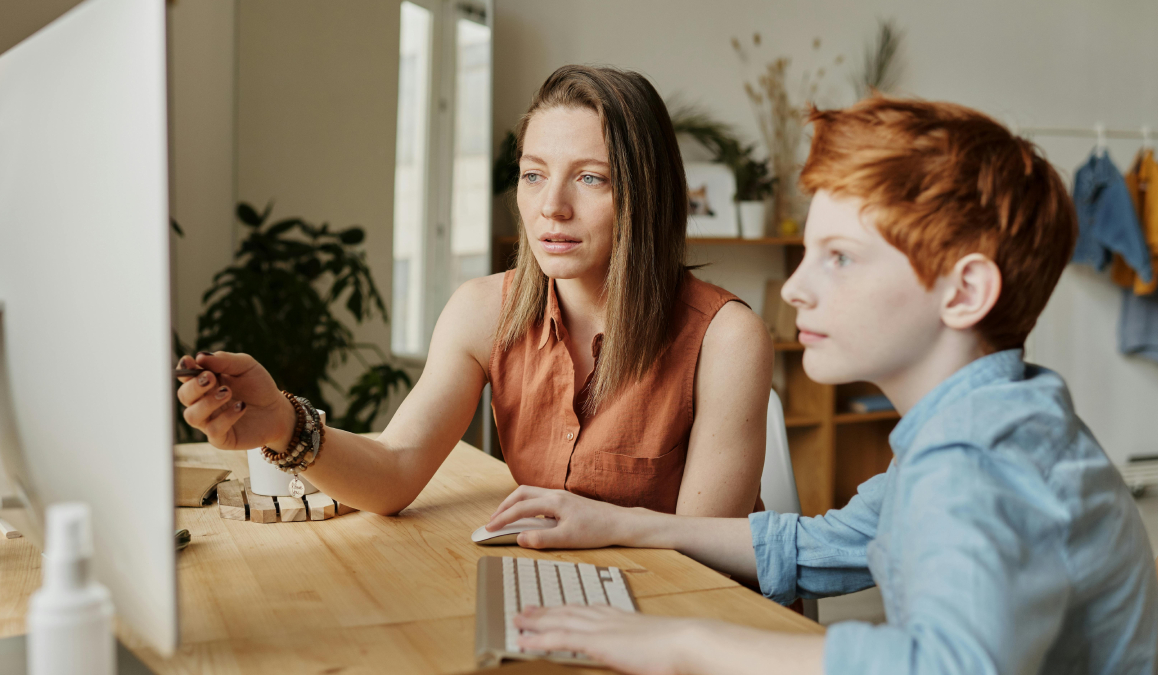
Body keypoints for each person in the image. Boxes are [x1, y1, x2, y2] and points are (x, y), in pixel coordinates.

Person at [485, 98, 1158, 674]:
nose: (798, 288)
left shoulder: (977, 459)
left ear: (967, 291)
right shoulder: (988, 419)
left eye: (838, 257)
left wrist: (686, 641)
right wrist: (620, 523)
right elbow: (818, 545)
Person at [175, 64, 773, 518]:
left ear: (648, 195)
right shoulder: (484, 310)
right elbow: (394, 471)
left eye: (590, 178)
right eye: (534, 174)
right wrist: (283, 423)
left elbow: (702, 557)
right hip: (566, 595)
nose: (551, 207)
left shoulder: (726, 338)